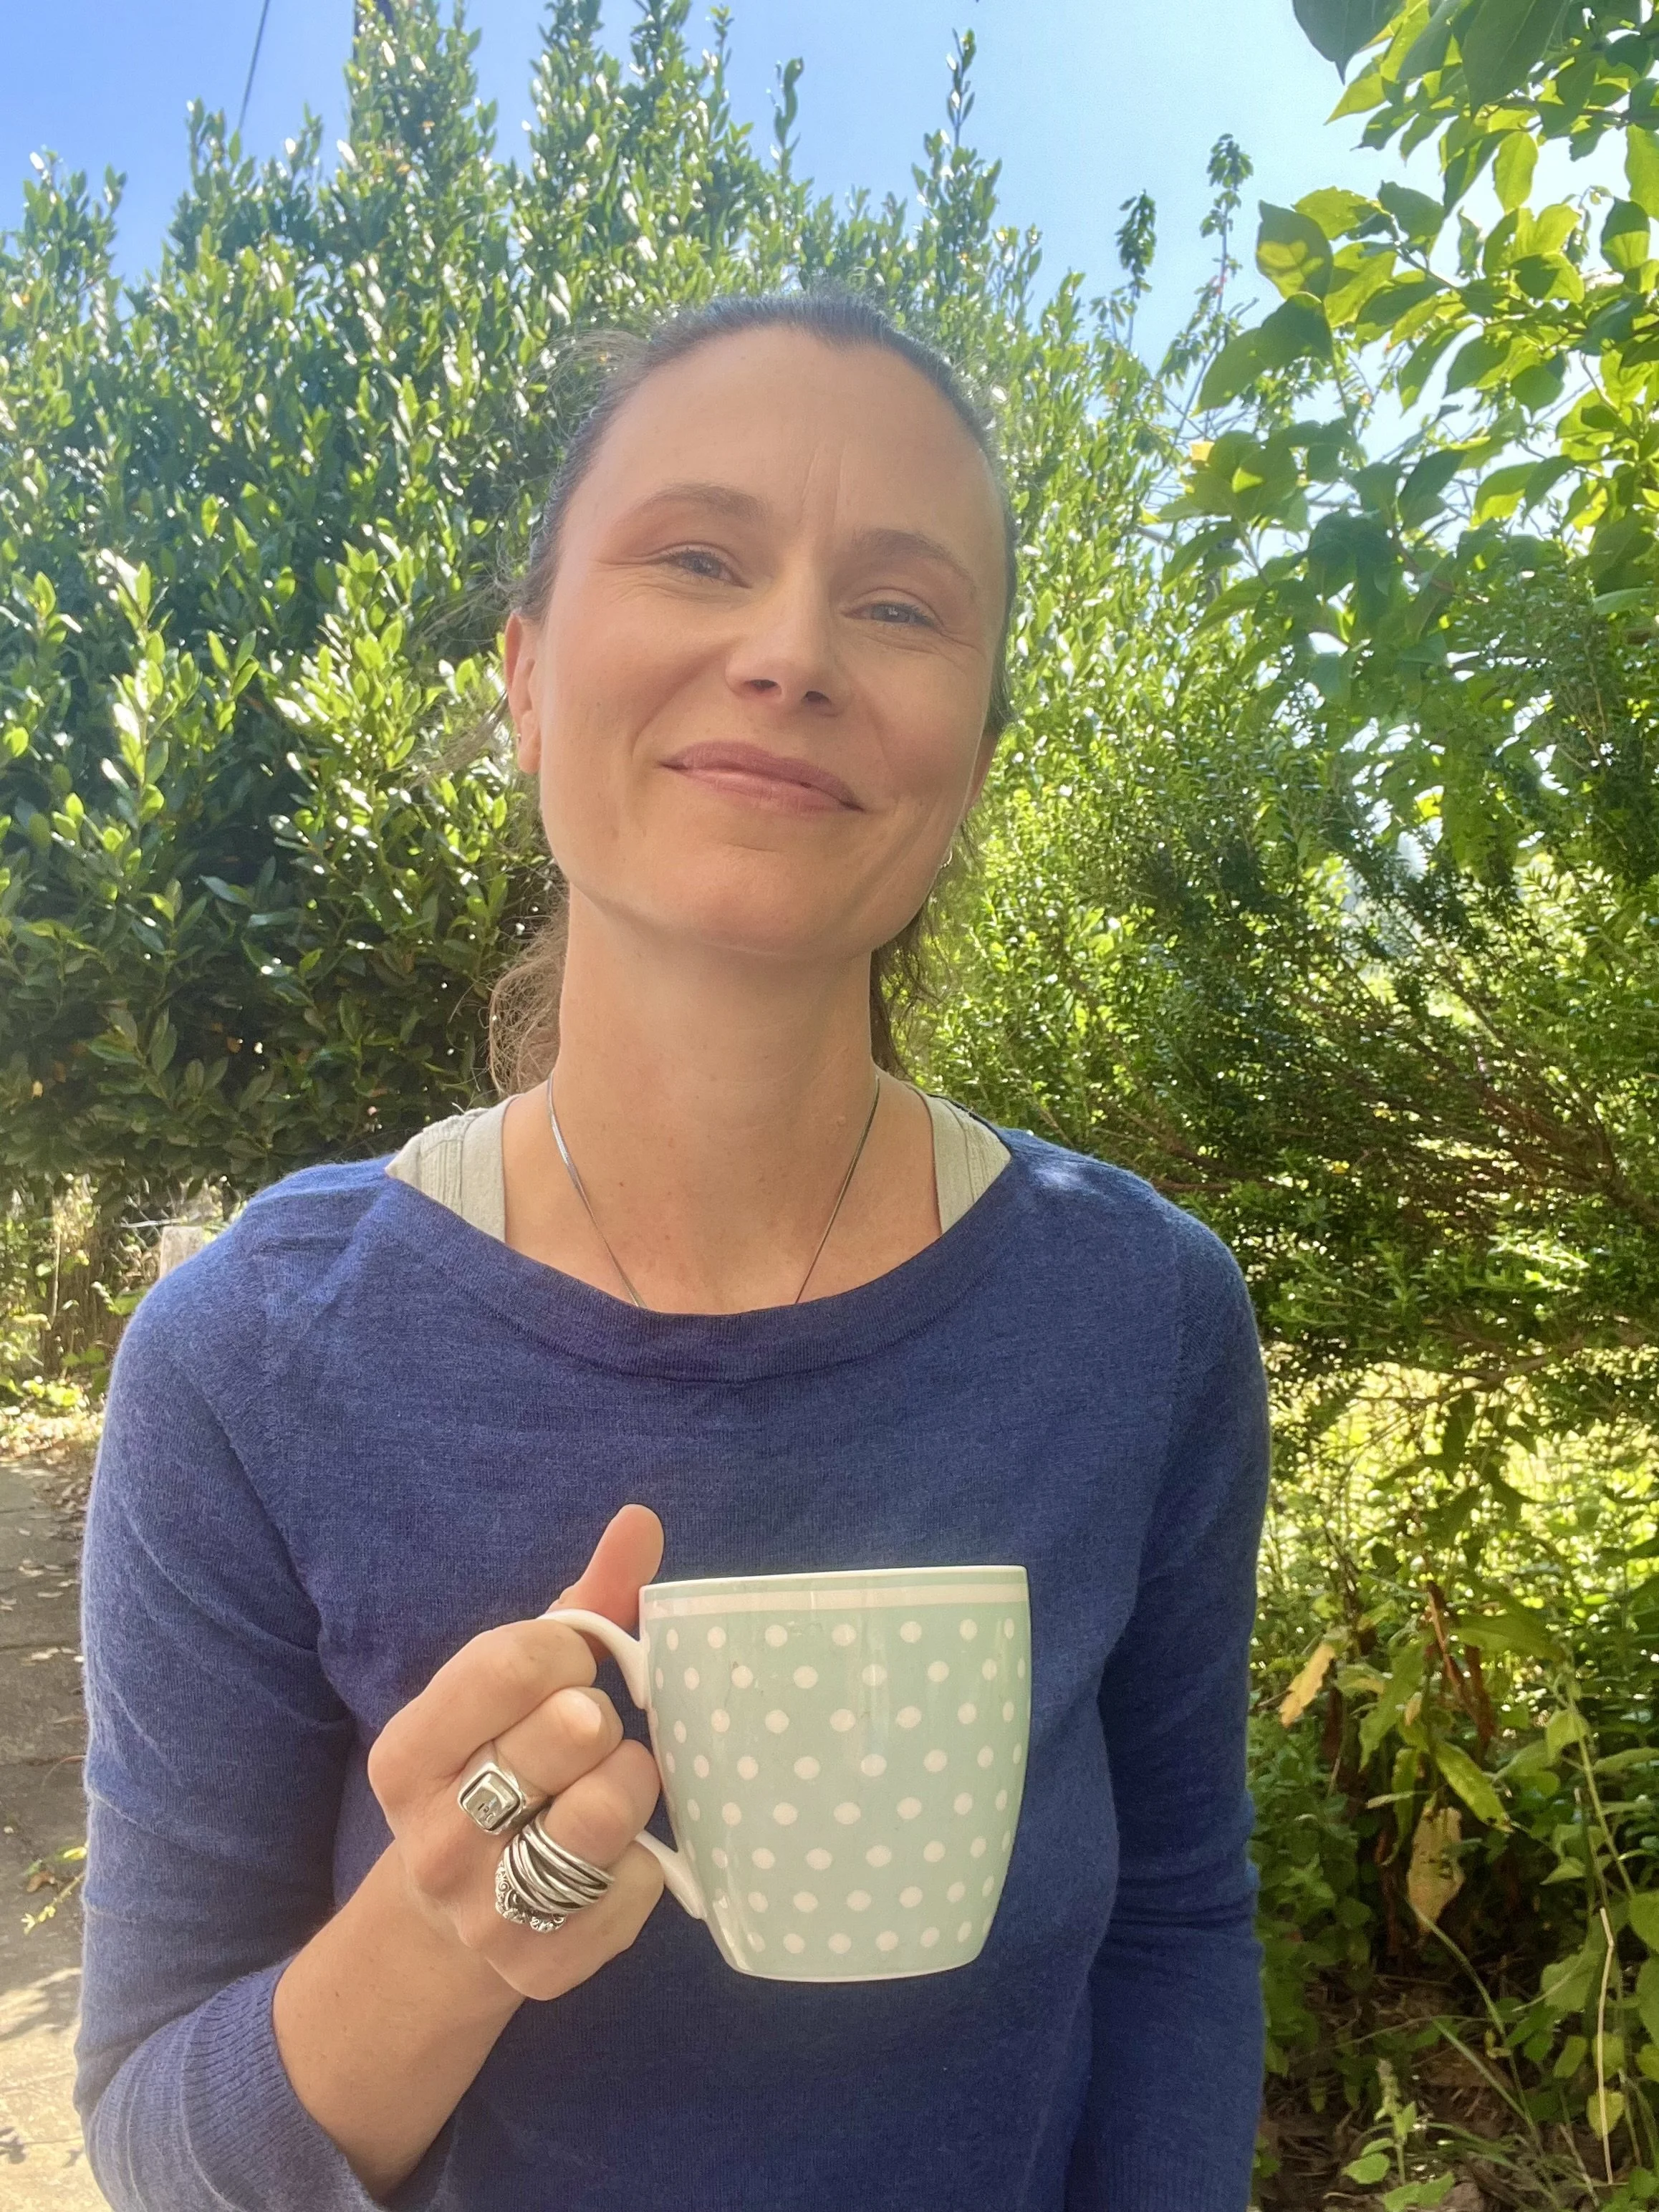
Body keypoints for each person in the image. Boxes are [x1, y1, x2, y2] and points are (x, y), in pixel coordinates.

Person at [75, 291, 1271, 2212]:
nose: (787, 654)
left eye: (898, 604)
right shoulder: (249, 1356)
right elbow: (150, 2136)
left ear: (972, 742)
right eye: (698, 556)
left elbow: (1179, 1937)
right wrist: (445, 1936)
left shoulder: (1140, 1320)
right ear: (529, 675)